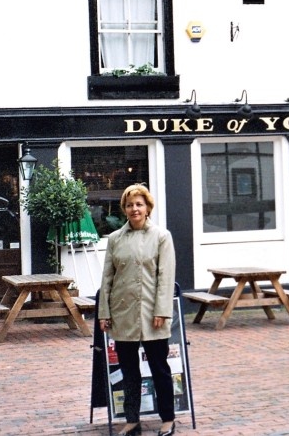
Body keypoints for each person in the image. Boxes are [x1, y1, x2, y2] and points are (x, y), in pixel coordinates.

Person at [98, 184, 177, 436]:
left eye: (139, 204)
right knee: (129, 371)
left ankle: (168, 419)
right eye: (130, 205)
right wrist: (104, 312)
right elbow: (107, 278)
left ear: (148, 207)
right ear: (124, 209)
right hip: (122, 314)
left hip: (153, 314)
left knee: (159, 368)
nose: (135, 209)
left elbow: (166, 276)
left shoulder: (162, 237)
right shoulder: (114, 239)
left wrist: (162, 310)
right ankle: (132, 420)